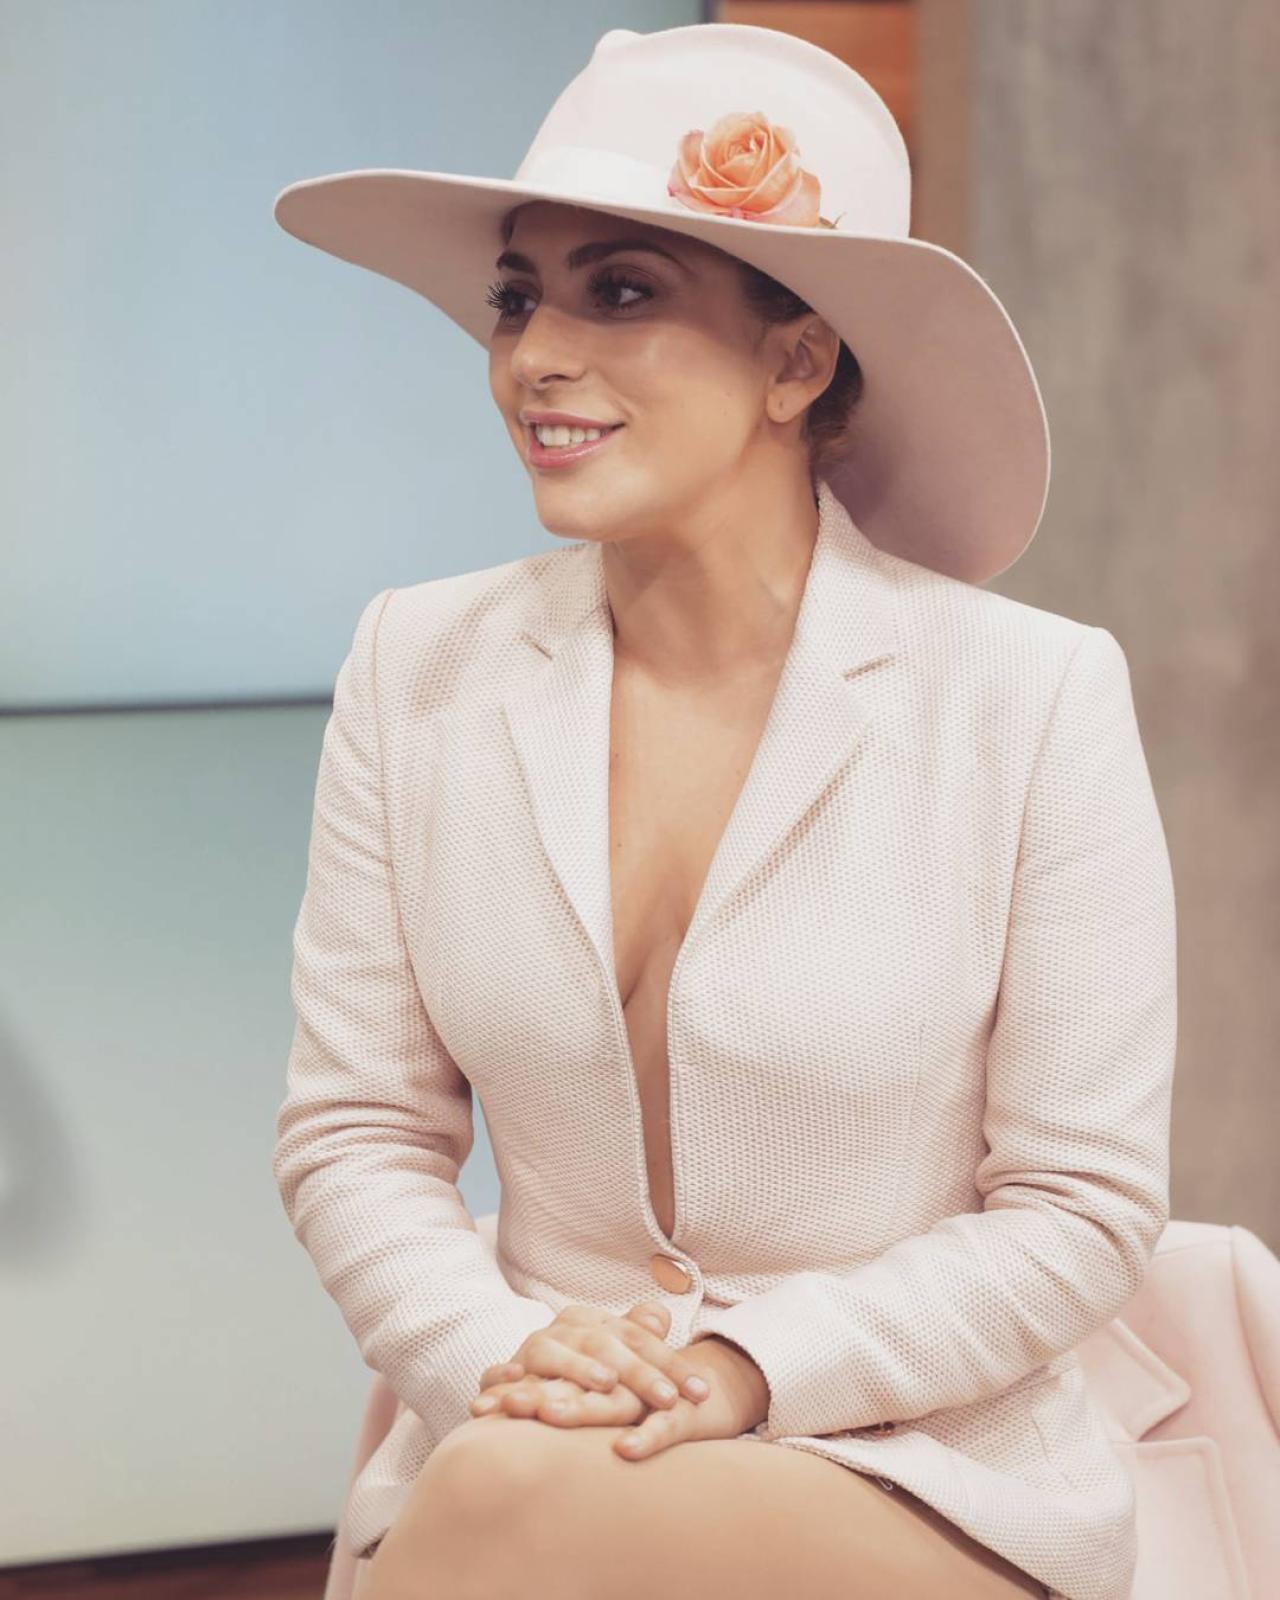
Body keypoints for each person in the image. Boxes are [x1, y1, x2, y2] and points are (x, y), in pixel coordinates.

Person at [271, 25, 1176, 1600]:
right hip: (522, 1424)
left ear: (796, 363)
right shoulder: (416, 668)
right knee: (517, 1493)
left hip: (917, 1460)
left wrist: (753, 1366)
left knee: (511, 1509)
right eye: (518, 298)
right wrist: (504, 1353)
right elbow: (358, 1135)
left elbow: (1081, 1207)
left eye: (621, 291)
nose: (534, 356)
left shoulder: (1031, 696)